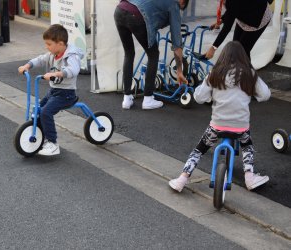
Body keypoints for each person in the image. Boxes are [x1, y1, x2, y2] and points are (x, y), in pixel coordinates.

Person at [169, 41, 271, 192]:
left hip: (217, 125)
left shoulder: (215, 73)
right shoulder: (249, 73)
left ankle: (182, 179)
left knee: (199, 149)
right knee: (247, 145)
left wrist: (210, 95)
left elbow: (198, 97)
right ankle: (249, 177)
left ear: (223, 56)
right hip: (240, 126)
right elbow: (265, 94)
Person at [18, 24, 84, 156]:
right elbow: (40, 59)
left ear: (60, 44)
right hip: (54, 92)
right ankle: (42, 138)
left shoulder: (71, 56)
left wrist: (56, 74)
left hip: (67, 94)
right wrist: (27, 65)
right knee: (36, 112)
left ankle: (53, 144)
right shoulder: (52, 54)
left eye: (49, 44)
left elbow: (74, 70)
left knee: (45, 113)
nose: (46, 47)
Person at [114, 0, 189, 110]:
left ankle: (127, 98)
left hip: (120, 10)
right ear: (182, 2)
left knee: (129, 53)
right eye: (182, 7)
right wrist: (179, 71)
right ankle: (148, 99)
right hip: (136, 15)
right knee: (153, 54)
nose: (179, 10)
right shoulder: (174, 5)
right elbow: (177, 42)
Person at [205, 0, 272, 60]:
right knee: (235, 48)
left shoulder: (232, 2)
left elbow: (226, 28)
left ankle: (248, 72)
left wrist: (213, 48)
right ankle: (239, 71)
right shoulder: (232, 3)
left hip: (259, 18)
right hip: (245, 14)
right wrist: (222, 20)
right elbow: (232, 9)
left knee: (242, 52)